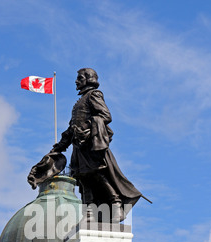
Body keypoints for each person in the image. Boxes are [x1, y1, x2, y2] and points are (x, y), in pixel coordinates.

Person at [52, 68, 147, 222]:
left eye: (80, 78)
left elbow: (105, 115)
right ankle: (89, 213)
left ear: (89, 79)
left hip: (91, 144)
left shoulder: (94, 95)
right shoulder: (78, 103)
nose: (77, 81)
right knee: (84, 178)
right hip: (79, 147)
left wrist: (88, 129)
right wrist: (59, 146)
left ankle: (116, 204)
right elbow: (71, 128)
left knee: (98, 174)